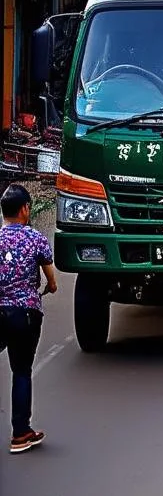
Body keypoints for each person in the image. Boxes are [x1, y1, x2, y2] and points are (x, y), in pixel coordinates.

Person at [0, 183, 57, 454]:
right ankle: (21, 433)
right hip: (25, 314)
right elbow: (50, 274)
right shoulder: (35, 238)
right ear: (25, 209)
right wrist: (51, 286)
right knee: (21, 371)